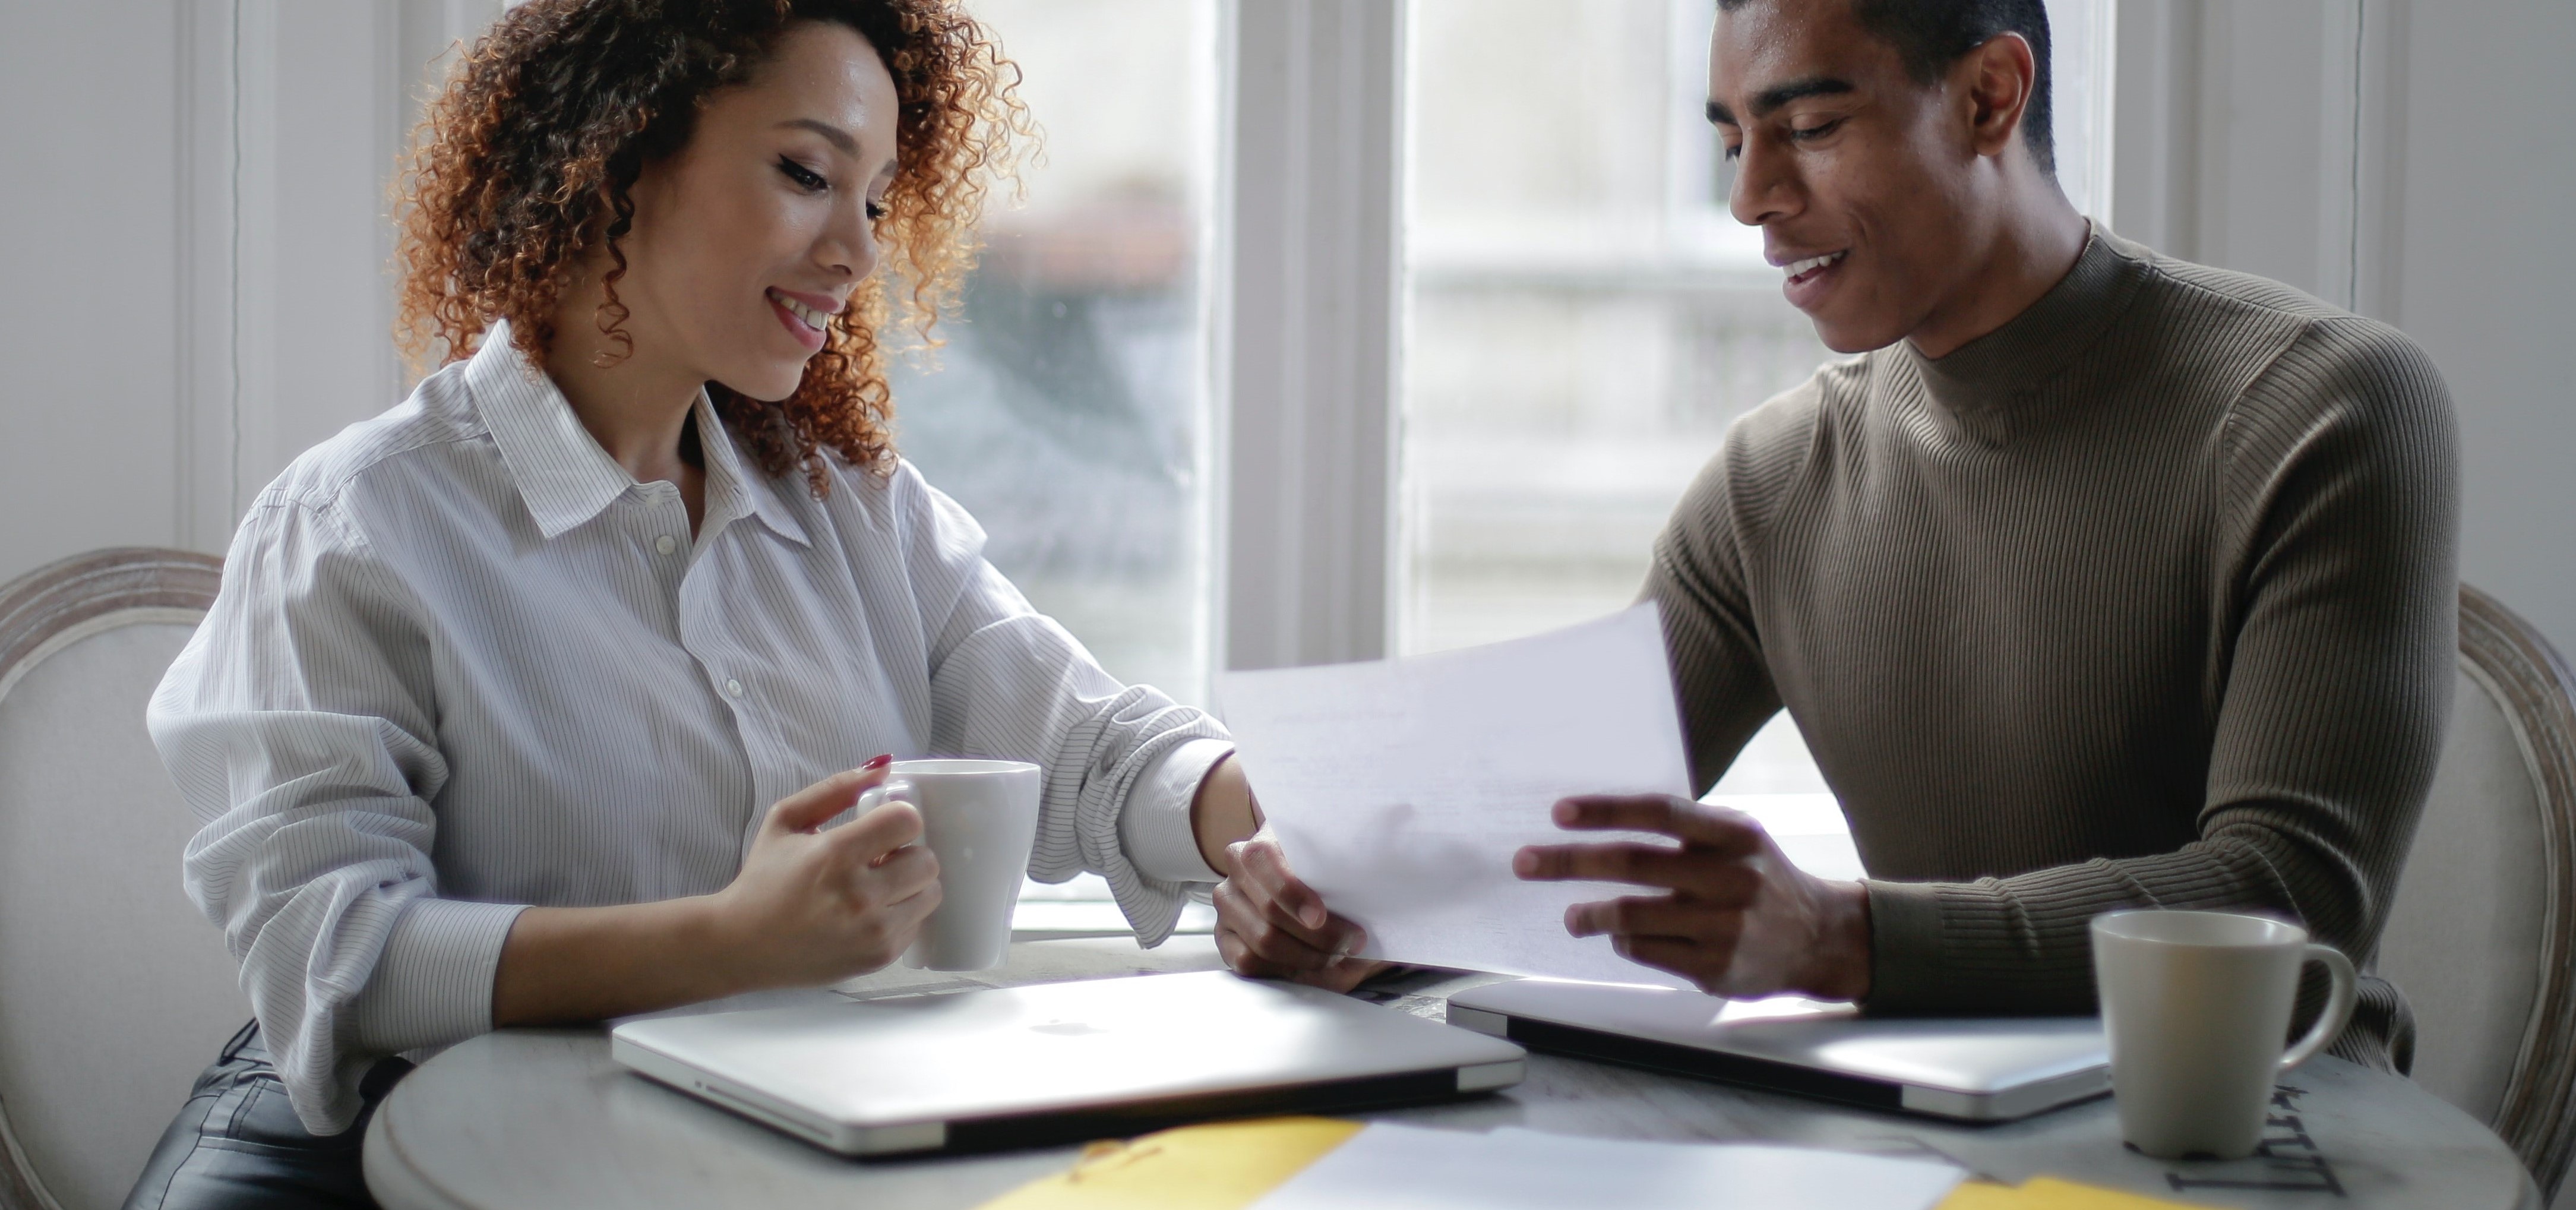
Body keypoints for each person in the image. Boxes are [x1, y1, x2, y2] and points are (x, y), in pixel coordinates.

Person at [129, 2, 1256, 1206]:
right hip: (366, 1158)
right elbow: (336, 954)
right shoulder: (356, 522)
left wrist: (1282, 835)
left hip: (720, 1159)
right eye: (807, 174)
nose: (857, 252)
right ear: (617, 156)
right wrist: (731, 939)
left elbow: (1092, 747)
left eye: (876, 204)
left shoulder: (852, 507)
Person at [1213, 0, 2456, 1075]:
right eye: (1732, 141)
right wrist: (1338, 913)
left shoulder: (2324, 407)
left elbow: (2290, 892)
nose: (1750, 199)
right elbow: (1553, 838)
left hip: (2273, 1117)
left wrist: (1836, 937)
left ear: (1989, 96)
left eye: (1806, 127)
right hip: (1942, 1121)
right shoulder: (1773, 481)